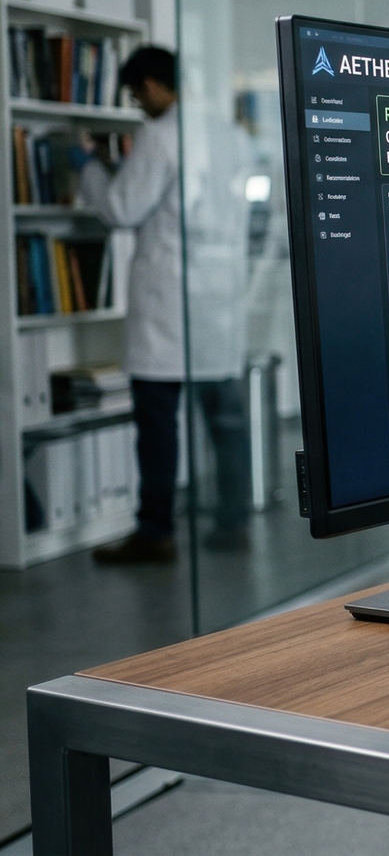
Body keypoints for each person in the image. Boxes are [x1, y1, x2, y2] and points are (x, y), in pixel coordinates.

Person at [86, 47, 252, 564]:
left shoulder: (160, 136)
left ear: (155, 85)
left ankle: (156, 530)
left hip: (169, 300)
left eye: (138, 94)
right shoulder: (231, 135)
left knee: (158, 426)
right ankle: (234, 523)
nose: (138, 104)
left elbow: (121, 208)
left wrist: (91, 168)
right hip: (218, 297)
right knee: (225, 420)